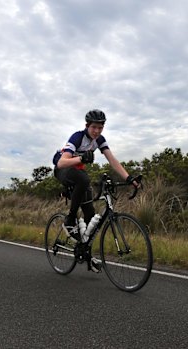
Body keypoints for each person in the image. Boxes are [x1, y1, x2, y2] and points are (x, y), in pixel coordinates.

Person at [53, 109, 140, 272]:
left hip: (77, 171)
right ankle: (70, 220)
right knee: (84, 179)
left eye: (100, 128)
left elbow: (112, 159)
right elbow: (61, 163)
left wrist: (128, 178)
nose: (97, 131)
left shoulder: (99, 140)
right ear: (87, 125)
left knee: (90, 216)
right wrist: (80, 158)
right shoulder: (77, 137)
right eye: (94, 127)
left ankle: (86, 253)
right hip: (63, 170)